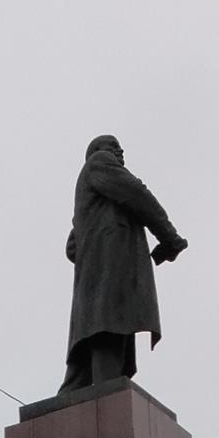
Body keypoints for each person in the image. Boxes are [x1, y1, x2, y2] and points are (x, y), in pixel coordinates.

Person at [61, 135, 187, 393]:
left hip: (94, 283)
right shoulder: (99, 162)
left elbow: (72, 247)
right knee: (108, 331)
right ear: (97, 151)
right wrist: (169, 237)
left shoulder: (89, 197)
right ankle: (106, 402)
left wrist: (94, 246)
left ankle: (77, 403)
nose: (120, 151)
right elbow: (136, 193)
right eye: (113, 146)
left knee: (89, 355)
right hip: (110, 273)